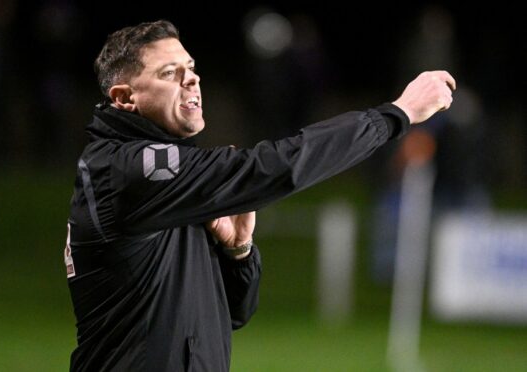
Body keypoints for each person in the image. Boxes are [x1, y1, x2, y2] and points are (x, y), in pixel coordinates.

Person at [64, 19, 455, 371]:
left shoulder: (171, 179)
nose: (192, 80)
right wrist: (396, 115)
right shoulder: (128, 169)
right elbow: (272, 167)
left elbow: (234, 313)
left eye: (192, 68)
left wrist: (239, 254)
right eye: (170, 73)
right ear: (124, 98)